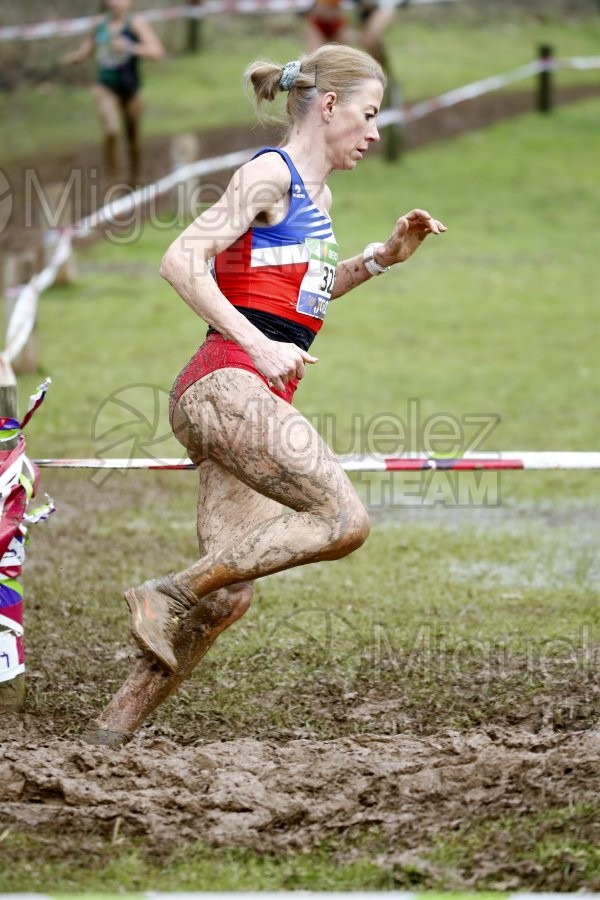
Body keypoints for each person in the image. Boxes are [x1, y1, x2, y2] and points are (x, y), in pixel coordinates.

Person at [82, 43, 446, 746]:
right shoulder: (267, 174)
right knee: (344, 520)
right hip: (223, 384)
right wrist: (253, 345)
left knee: (229, 598)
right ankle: (167, 590)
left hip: (251, 394)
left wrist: (379, 259)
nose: (375, 132)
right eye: (369, 114)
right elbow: (179, 259)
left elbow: (295, 303)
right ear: (330, 105)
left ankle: (106, 737)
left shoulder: (320, 196)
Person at [64, 0, 165, 185]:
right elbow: (88, 47)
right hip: (105, 87)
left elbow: (157, 52)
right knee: (111, 131)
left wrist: (129, 47)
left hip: (131, 88)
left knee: (133, 139)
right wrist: (77, 57)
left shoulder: (135, 23)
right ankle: (112, 183)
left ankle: (135, 180)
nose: (114, 3)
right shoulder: (99, 24)